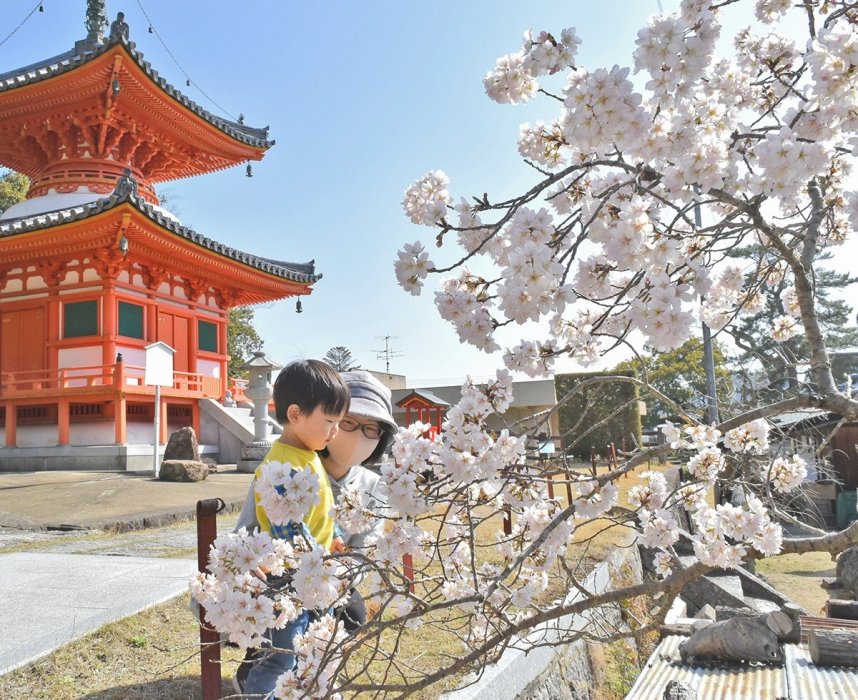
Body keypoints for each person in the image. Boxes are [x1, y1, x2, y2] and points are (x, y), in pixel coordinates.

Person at [238, 359, 350, 697]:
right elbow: (291, 532)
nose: (335, 432)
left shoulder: (307, 453)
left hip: (317, 575)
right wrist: (324, 564)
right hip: (290, 580)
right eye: (330, 421)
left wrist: (338, 539)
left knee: (314, 650)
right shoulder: (280, 466)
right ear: (296, 414)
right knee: (280, 658)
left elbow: (322, 512)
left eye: (340, 423)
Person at [319, 370, 397, 632]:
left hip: (335, 579)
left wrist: (336, 575)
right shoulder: (290, 470)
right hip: (284, 576)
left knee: (352, 615)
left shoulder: (373, 486)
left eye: (371, 428)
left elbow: (365, 552)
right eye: (349, 422)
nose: (358, 436)